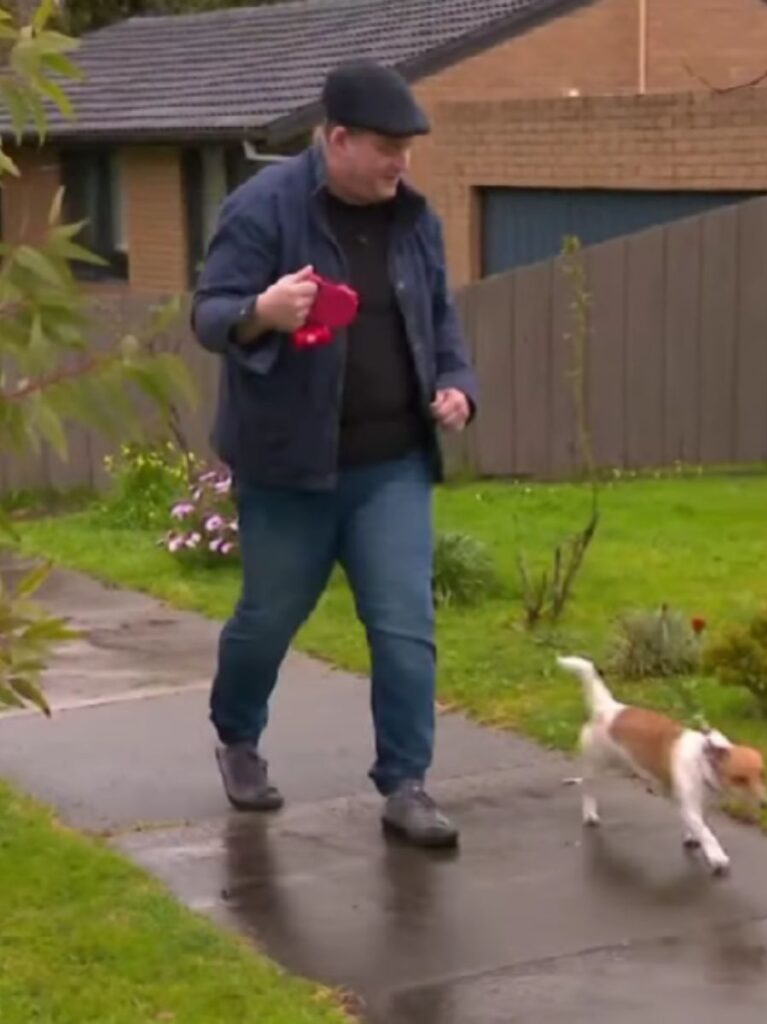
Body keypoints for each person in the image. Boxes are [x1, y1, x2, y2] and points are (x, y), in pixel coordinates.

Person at [190, 59, 478, 849]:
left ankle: (406, 786)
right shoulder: (262, 209)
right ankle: (238, 738)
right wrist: (262, 310)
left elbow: (443, 324)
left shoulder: (415, 219)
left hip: (392, 465)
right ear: (339, 138)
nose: (402, 164)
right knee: (268, 618)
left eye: (409, 148)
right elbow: (209, 314)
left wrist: (457, 383)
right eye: (388, 148)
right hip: (289, 470)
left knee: (403, 626)